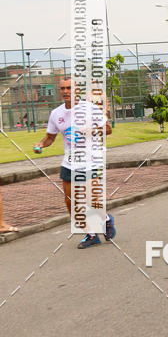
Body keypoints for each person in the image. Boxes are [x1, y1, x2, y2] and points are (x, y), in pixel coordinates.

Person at [33, 78, 116, 249]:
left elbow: (108, 129)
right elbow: (50, 137)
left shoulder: (90, 108)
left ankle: (106, 220)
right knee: (70, 202)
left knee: (90, 199)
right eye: (62, 88)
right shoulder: (56, 113)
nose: (65, 91)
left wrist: (91, 130)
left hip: (90, 160)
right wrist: (41, 144)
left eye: (69, 88)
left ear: (76, 90)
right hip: (69, 163)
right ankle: (91, 234)